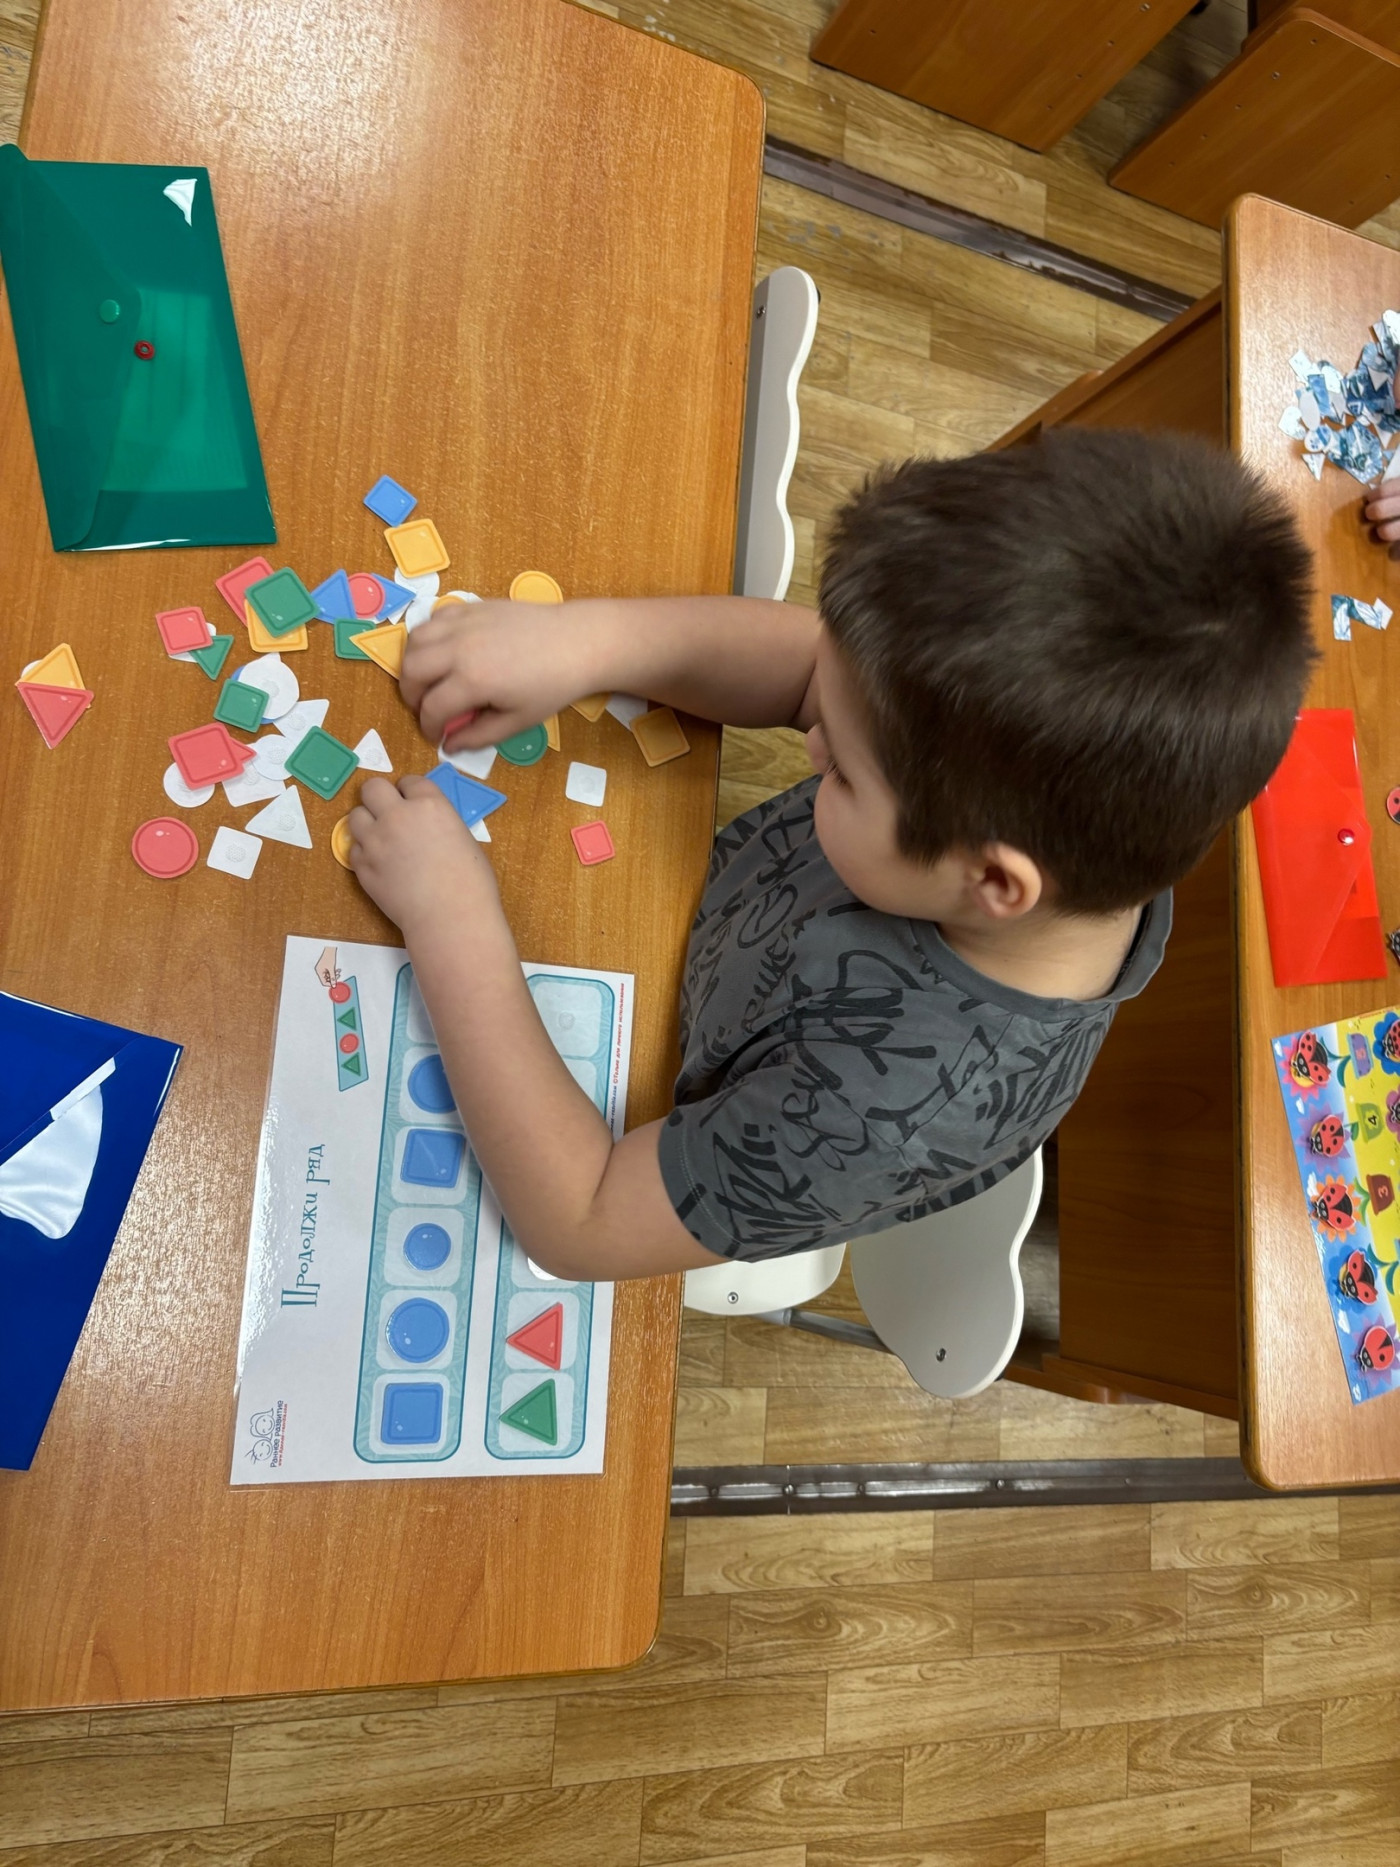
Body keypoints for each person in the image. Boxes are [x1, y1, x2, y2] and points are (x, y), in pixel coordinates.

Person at [346, 430, 1315, 1280]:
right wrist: (588, 642)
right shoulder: (1049, 818)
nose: (811, 741)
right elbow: (816, 670)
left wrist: (451, 920)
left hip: (655, 1092)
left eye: (843, 770)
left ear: (991, 878)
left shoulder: (888, 1112)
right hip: (686, 929)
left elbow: (583, 1219)